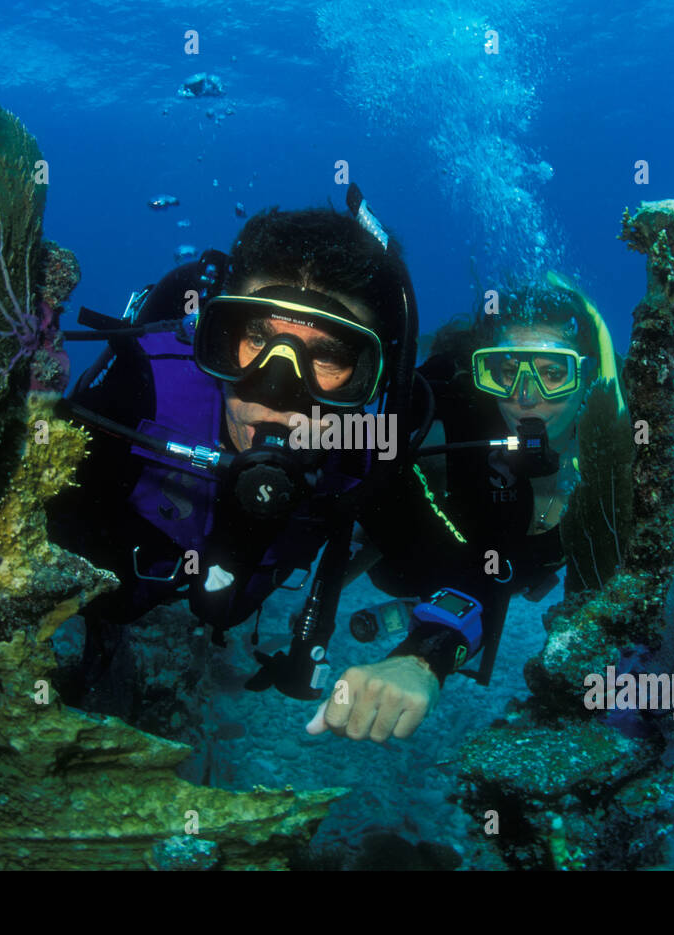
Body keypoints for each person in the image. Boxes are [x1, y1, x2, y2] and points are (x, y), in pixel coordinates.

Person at [47, 196, 483, 744]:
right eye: (256, 337)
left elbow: (471, 573)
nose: (277, 389)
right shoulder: (144, 390)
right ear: (219, 334)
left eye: (326, 355)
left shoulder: (365, 451)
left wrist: (423, 660)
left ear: (371, 377)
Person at [353, 271, 630, 688]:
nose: (524, 396)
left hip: (508, 574)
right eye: (505, 370)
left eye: (553, 373)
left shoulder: (613, 454)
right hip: (425, 565)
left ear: (587, 378)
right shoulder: (450, 431)